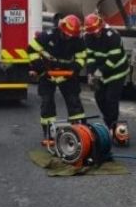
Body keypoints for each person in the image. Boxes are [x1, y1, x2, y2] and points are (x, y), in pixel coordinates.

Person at [27, 14, 87, 145]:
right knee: (47, 103)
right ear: (61, 29)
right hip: (48, 73)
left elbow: (82, 57)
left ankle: (79, 132)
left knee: (74, 103)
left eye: (71, 35)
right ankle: (49, 134)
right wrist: (40, 67)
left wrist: (74, 69)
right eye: (66, 35)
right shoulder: (48, 35)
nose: (69, 37)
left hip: (67, 74)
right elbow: (31, 49)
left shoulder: (77, 40)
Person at [83, 13, 129, 137]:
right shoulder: (88, 38)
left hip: (117, 72)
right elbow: (90, 57)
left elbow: (113, 59)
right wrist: (91, 74)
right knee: (99, 98)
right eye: (93, 32)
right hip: (101, 73)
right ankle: (109, 122)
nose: (96, 34)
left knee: (111, 99)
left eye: (98, 31)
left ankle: (113, 126)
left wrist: (99, 73)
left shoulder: (112, 36)